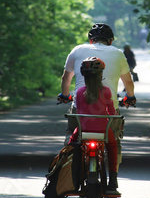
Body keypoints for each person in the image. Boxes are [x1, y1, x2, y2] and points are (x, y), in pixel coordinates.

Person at [58, 23, 136, 168]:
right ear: (110, 41)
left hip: (80, 111)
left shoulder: (77, 50)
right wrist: (130, 97)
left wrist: (65, 95)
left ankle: (67, 166)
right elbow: (128, 81)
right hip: (107, 113)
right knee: (114, 140)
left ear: (90, 40)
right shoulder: (118, 53)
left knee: (71, 132)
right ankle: (113, 178)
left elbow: (66, 78)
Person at [67, 57, 120, 194]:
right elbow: (112, 113)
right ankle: (113, 180)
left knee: (72, 145)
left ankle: (73, 177)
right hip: (103, 130)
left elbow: (79, 112)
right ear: (101, 75)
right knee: (112, 145)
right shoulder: (107, 91)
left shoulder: (79, 92)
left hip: (83, 130)